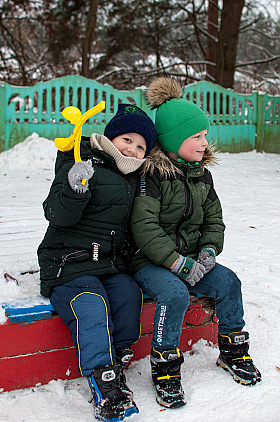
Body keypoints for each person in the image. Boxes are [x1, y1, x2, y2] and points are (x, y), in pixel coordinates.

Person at [130, 77, 262, 409]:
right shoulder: (153, 177)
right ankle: (164, 368)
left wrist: (207, 251)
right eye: (197, 137)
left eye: (205, 135)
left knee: (229, 282)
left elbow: (213, 219)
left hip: (192, 258)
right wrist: (176, 262)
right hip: (149, 261)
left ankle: (232, 351)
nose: (205, 142)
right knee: (173, 293)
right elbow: (144, 228)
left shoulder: (202, 175)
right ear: (174, 141)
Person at [37, 103, 157, 422]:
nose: (132, 148)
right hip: (67, 262)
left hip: (109, 264)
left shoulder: (136, 177)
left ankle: (116, 355)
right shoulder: (81, 158)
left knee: (128, 293)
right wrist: (75, 188)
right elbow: (57, 215)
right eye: (127, 139)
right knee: (90, 303)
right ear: (111, 137)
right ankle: (103, 380)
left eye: (141, 146)